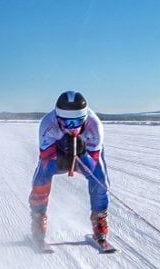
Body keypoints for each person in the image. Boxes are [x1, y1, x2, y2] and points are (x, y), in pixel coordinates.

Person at [29, 91, 110, 244]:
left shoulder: (95, 126)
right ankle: (38, 218)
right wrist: (62, 150)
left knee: (100, 180)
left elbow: (91, 166)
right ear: (57, 118)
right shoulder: (47, 124)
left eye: (77, 122)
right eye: (66, 122)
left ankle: (99, 219)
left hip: (84, 155)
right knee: (42, 176)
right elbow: (46, 157)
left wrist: (83, 152)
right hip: (56, 154)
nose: (72, 127)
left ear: (85, 118)